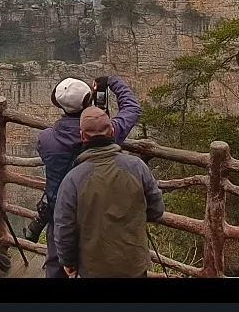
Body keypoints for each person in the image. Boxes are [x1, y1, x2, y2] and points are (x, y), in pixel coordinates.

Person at [35, 73, 140, 278]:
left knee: (56, 262)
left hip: (60, 210)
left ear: (58, 103)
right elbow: (132, 108)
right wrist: (112, 82)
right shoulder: (110, 133)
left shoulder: (46, 139)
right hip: (97, 210)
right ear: (89, 99)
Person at [53, 106, 165, 278]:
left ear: (82, 136)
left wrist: (68, 261)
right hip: (133, 264)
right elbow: (156, 210)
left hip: (93, 269)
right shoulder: (136, 167)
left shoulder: (73, 179)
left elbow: (64, 227)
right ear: (112, 132)